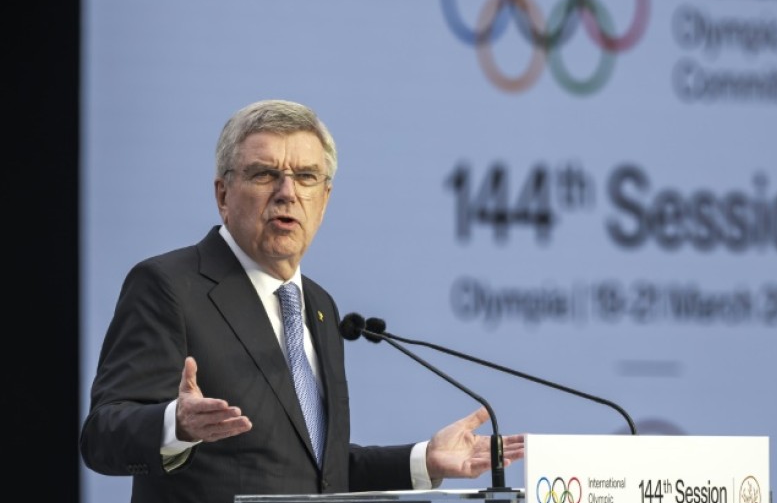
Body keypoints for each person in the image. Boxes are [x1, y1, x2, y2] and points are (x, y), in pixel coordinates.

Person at [80, 99, 525, 503]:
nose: (287, 192)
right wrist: (175, 424)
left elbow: (315, 475)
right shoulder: (169, 286)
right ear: (223, 195)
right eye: (264, 173)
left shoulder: (318, 305)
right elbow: (101, 435)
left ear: (324, 199)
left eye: (306, 177)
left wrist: (423, 460)